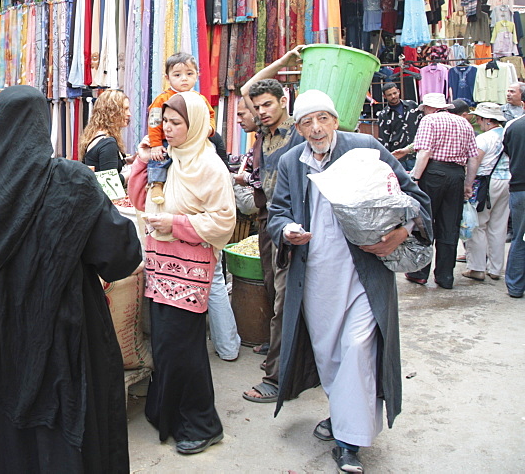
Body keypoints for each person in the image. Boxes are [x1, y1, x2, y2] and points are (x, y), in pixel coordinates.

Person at [0, 86, 142, 473]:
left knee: (5, 440)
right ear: (43, 128)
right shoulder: (72, 183)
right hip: (67, 341)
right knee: (67, 437)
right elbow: (122, 257)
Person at [268, 89, 432, 474]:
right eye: (306, 121)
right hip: (316, 280)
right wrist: (288, 230)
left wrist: (402, 232)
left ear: (335, 119)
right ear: (298, 127)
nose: (316, 128)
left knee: (359, 349)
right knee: (330, 357)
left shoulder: (364, 148)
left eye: (322, 118)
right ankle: (343, 416)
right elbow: (277, 212)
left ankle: (348, 444)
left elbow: (413, 195)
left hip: (363, 276)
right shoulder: (293, 161)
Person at [127, 92, 236, 456]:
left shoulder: (209, 166)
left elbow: (223, 222)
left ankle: (203, 424)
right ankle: (169, 413)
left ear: (195, 126)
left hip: (189, 270)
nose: (167, 129)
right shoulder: (169, 158)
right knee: (165, 345)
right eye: (165, 122)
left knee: (184, 348)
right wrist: (142, 162)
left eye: (176, 123)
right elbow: (140, 200)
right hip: (160, 266)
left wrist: (174, 222)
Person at [239, 48, 305, 403]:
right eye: (258, 106)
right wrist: (283, 60)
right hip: (268, 220)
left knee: (285, 296)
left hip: (290, 224)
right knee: (273, 287)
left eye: (268, 104)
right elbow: (248, 86)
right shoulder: (263, 133)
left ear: (283, 102)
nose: (261, 111)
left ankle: (277, 377)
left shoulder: (297, 130)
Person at [405, 92, 481, 289]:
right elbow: (473, 158)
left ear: (429, 108)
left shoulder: (429, 120)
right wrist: (468, 185)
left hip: (433, 173)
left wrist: (415, 179)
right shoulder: (464, 123)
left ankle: (419, 272)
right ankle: (445, 276)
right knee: (450, 225)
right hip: (456, 175)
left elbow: (425, 152)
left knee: (425, 222)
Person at [146, 53, 214, 204]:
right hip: (167, 141)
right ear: (167, 78)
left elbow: (210, 115)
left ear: (197, 75)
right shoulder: (163, 99)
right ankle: (156, 184)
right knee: (159, 159)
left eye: (189, 74)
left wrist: (209, 128)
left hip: (193, 142)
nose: (184, 78)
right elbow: (154, 122)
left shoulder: (199, 98)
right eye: (177, 75)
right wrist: (155, 144)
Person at [463, 102, 511, 282]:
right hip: (507, 181)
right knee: (499, 225)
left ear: (486, 120)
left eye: (479, 119)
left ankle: (477, 268)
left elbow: (474, 161)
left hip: (486, 183)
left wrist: (468, 184)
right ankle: (496, 269)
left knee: (477, 224)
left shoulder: (484, 139)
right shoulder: (507, 134)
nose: (478, 122)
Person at [79, 89, 132, 175]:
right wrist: (133, 172)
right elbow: (110, 182)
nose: (129, 114)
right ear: (112, 112)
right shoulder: (108, 143)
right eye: (125, 109)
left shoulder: (95, 135)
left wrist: (127, 160)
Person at [502, 111, 525, 298]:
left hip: (519, 188)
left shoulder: (514, 127)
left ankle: (516, 286)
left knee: (519, 236)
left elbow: (508, 151)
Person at [378, 82, 422, 170]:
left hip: (416, 154)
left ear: (399, 91)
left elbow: (422, 125)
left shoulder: (412, 105)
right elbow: (384, 139)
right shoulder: (384, 115)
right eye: (389, 95)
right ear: (385, 97)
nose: (393, 96)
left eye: (394, 93)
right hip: (398, 157)